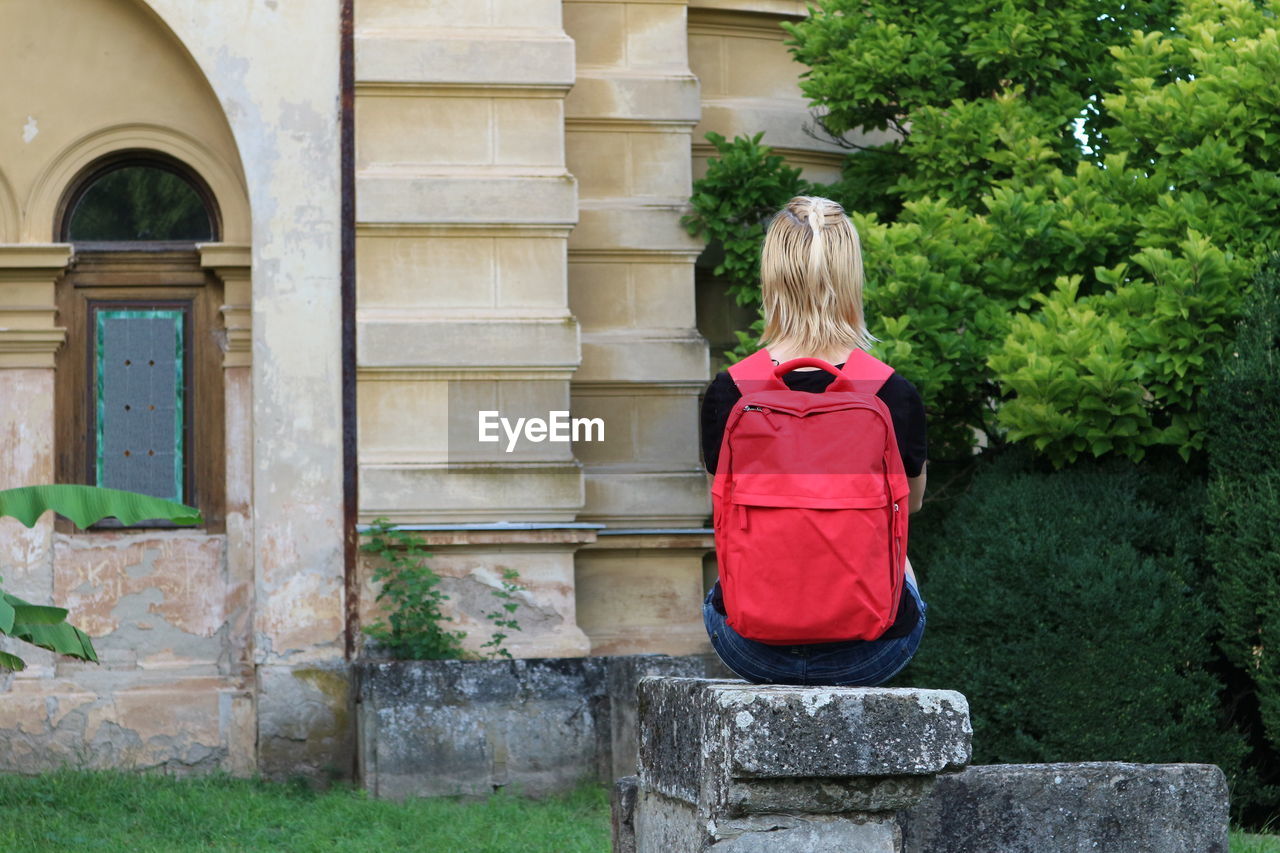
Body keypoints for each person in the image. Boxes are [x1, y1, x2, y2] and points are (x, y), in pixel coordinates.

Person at [699, 195, 929, 687]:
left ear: (771, 276)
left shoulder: (732, 390)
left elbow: (723, 509)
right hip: (871, 651)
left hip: (752, 648)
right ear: (852, 275)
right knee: (899, 550)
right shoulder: (891, 392)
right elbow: (908, 509)